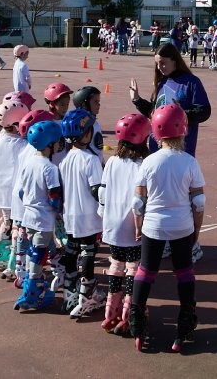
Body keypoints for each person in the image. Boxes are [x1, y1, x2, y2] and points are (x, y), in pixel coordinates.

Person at [128, 104, 206, 353]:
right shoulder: (189, 162)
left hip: (153, 226)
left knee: (146, 272)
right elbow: (199, 202)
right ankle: (184, 324)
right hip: (182, 226)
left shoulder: (149, 162)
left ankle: (137, 320)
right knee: (184, 273)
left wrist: (139, 227)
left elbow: (138, 203)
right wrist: (196, 229)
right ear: (183, 130)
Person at [99, 113, 150, 334]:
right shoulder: (143, 165)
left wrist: (103, 215)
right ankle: (128, 310)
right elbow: (142, 200)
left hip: (112, 223)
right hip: (133, 224)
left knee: (116, 265)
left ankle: (111, 308)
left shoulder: (111, 162)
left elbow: (102, 191)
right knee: (133, 268)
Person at [56, 108, 106, 318]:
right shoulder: (91, 159)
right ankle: (87, 294)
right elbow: (97, 190)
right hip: (88, 216)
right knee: (88, 252)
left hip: (70, 215)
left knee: (71, 250)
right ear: (86, 135)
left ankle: (70, 290)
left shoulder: (66, 159)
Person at [12, 120, 64, 311]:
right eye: (57, 141)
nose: (59, 144)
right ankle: (32, 294)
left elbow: (21, 192)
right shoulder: (49, 168)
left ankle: (37, 283)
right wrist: (61, 212)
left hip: (28, 216)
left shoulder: (28, 162)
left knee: (37, 250)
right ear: (50, 144)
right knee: (39, 254)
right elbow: (54, 197)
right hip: (44, 219)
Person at [130, 42, 212, 156]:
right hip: (157, 148)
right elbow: (154, 113)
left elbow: (204, 111)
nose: (159, 67)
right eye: (157, 64)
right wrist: (137, 100)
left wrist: (180, 114)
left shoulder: (191, 82)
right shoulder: (161, 82)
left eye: (163, 63)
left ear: (174, 60)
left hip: (181, 150)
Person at [0, 100, 30, 272]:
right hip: (17, 196)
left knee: (7, 224)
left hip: (1, 195)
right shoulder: (23, 145)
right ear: (18, 125)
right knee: (19, 228)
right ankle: (14, 263)